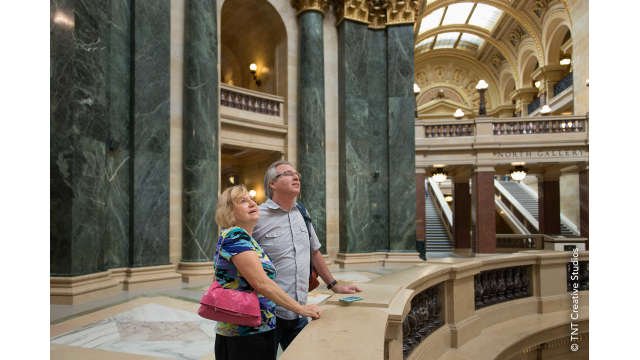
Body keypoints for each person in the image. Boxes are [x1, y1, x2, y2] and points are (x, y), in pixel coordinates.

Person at [253, 160, 362, 351]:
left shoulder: (301, 212)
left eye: (297, 174)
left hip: (299, 312)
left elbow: (314, 252)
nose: (296, 177)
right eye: (287, 173)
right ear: (272, 184)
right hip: (267, 314)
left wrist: (334, 286)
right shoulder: (258, 217)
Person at [212, 185, 321, 360]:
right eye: (242, 201)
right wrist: (301, 309)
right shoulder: (235, 236)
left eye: (251, 199)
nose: (251, 203)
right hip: (244, 333)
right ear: (229, 211)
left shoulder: (248, 239)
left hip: (258, 327)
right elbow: (262, 283)